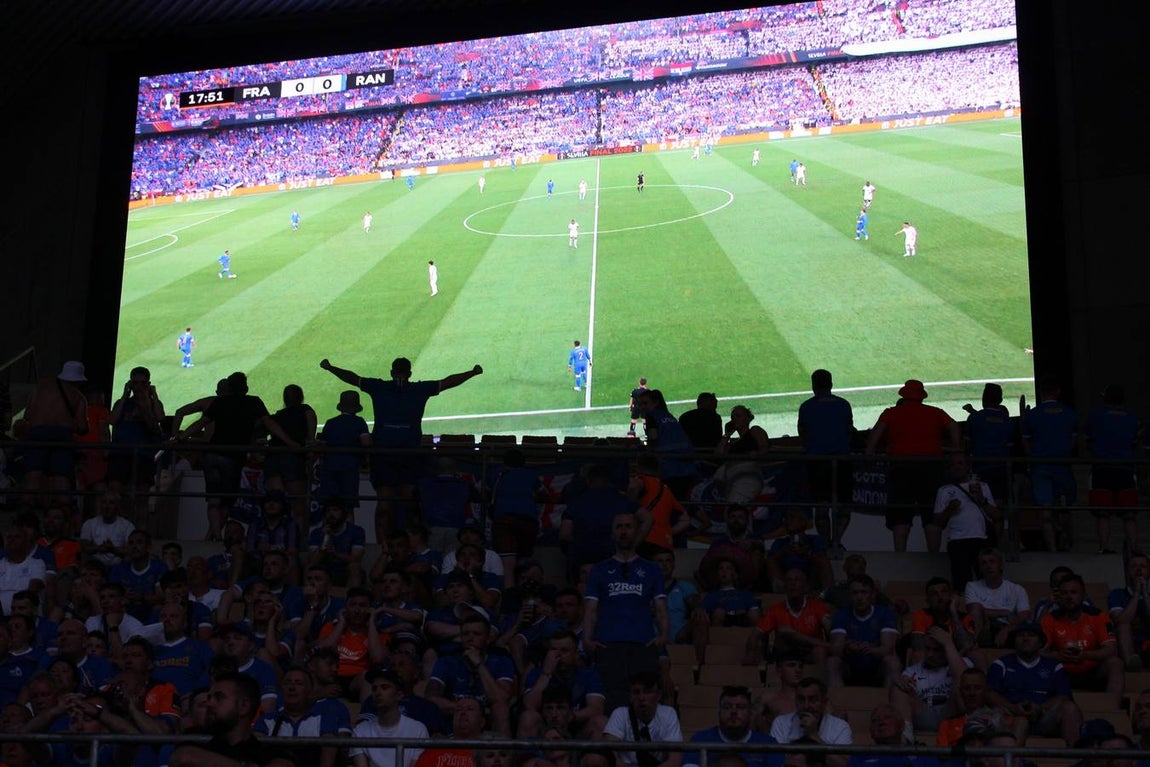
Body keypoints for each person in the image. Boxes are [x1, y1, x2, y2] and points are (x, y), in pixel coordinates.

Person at [319, 355, 483, 541]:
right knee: (408, 505)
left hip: (384, 454)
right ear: (410, 373)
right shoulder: (419, 389)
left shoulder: (379, 386)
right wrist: (472, 373)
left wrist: (331, 368)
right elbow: (448, 382)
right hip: (408, 454)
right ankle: (408, 546)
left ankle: (383, 547)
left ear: (391, 372)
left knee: (385, 505)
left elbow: (352, 378)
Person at [583, 510, 669, 713]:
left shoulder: (652, 569)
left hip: (643, 645)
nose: (623, 531)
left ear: (637, 531)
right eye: (619, 527)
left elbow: (660, 608)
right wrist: (587, 639)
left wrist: (663, 636)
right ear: (612, 533)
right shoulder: (599, 570)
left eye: (628, 526)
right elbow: (591, 609)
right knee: (612, 703)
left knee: (645, 702)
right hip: (608, 646)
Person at [866, 379, 960, 552]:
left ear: (903, 395)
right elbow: (953, 426)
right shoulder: (935, 412)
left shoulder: (891, 413)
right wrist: (956, 450)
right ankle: (933, 556)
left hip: (900, 467)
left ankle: (900, 556)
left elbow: (876, 432)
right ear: (922, 396)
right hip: (931, 467)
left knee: (900, 515)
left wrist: (870, 453)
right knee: (931, 514)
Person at [167, 672, 296, 767]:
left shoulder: (267, 752)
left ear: (243, 706)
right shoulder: (195, 738)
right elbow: (184, 757)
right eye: (209, 698)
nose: (209, 703)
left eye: (219, 697)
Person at [985, 621, 1082, 746]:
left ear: (1041, 642)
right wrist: (1013, 708)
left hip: (1044, 716)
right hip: (1011, 716)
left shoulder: (1054, 666)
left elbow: (1064, 696)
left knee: (1070, 708)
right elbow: (990, 694)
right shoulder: (1001, 664)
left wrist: (1040, 708)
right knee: (1020, 721)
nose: (1025, 638)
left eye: (1031, 635)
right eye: (1021, 635)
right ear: (1014, 641)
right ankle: (1010, 757)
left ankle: (1076, 754)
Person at [797, 369, 855, 559]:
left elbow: (802, 434)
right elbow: (849, 430)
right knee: (843, 504)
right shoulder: (843, 404)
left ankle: (826, 543)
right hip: (841, 461)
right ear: (831, 384)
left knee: (821, 505)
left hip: (817, 462)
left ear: (813, 385)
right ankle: (836, 541)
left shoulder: (806, 407)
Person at [19, 360, 89, 508]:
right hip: (62, 437)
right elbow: (83, 427)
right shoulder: (78, 397)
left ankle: (26, 515)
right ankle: (62, 514)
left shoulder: (40, 388)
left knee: (33, 476)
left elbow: (27, 415)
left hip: (37, 434)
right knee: (61, 479)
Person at [1039, 573, 1122, 695]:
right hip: (1061, 671)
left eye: (1073, 592)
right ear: (1059, 596)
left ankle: (1111, 704)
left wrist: (1084, 655)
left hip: (1092, 671)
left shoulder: (1098, 616)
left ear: (1083, 595)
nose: (1069, 597)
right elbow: (1039, 652)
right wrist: (1058, 656)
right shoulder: (1050, 619)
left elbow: (1111, 650)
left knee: (1115, 663)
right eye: (1064, 593)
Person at [1022, 378, 1079, 552]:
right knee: (1064, 508)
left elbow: (1026, 443)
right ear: (1058, 391)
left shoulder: (1032, 415)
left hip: (1041, 467)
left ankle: (1053, 549)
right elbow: (1074, 441)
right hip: (1062, 466)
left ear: (1040, 392)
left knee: (1045, 509)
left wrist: (1033, 458)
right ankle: (1068, 543)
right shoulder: (1069, 413)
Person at [1085, 384, 1141, 554]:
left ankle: (1104, 547)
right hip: (1125, 469)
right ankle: (1134, 548)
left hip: (1102, 469)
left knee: (1103, 513)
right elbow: (1135, 443)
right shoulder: (1132, 418)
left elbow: (1088, 441)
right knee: (1129, 514)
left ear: (1105, 398)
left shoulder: (1095, 416)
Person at [934, 453, 999, 591]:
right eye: (952, 464)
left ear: (968, 466)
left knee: (986, 584)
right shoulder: (944, 490)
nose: (956, 467)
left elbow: (996, 516)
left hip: (982, 540)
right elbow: (938, 523)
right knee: (961, 585)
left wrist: (982, 499)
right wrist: (949, 510)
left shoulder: (982, 486)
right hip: (957, 542)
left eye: (960, 463)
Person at [890, 625, 971, 732]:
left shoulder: (962, 662)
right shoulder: (912, 670)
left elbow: (965, 679)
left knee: (964, 681)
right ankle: (906, 736)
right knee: (898, 689)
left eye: (936, 650)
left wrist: (948, 643)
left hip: (952, 713)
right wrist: (904, 684)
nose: (930, 654)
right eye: (927, 649)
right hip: (923, 711)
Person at [684, 685, 780, 767]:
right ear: (719, 712)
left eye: (740, 707)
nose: (734, 711)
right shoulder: (700, 740)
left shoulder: (768, 744)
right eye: (727, 707)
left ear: (750, 713)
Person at [602, 670, 682, 767]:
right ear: (630, 696)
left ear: (658, 695)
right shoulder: (620, 714)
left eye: (647, 692)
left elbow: (674, 760)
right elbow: (609, 754)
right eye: (636, 692)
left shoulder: (668, 714)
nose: (641, 698)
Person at [769, 677, 851, 767]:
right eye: (801, 699)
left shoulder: (840, 727)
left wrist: (813, 735)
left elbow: (844, 765)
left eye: (812, 700)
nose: (806, 706)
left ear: (824, 703)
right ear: (795, 701)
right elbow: (775, 762)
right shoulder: (781, 723)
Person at [964, 548, 1031, 648]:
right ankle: (975, 645)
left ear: (1001, 565)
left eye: (992, 561)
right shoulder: (972, 586)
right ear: (980, 568)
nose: (988, 566)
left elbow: (1024, 616)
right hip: (982, 627)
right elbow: (973, 611)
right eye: (984, 563)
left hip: (1007, 627)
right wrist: (1005, 612)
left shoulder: (1017, 589)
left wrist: (1007, 629)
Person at [713, 405, 770, 506]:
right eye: (732, 417)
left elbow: (765, 447)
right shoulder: (733, 442)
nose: (734, 419)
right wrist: (727, 435)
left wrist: (757, 454)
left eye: (738, 416)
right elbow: (718, 455)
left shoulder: (754, 430)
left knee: (734, 506)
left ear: (748, 418)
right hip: (729, 477)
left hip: (747, 475)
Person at [1108, 551, 1150, 671]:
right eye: (1134, 566)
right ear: (1128, 572)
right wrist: (1136, 594)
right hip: (1126, 643)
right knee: (1123, 626)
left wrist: (1145, 595)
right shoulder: (1117, 594)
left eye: (1143, 566)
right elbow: (1120, 620)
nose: (1138, 569)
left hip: (1148, 644)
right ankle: (1131, 664)